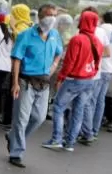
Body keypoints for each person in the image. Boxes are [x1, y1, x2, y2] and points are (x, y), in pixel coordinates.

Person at [5, 3, 63, 168]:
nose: (52, 18)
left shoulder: (55, 35)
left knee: (39, 118)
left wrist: (52, 69)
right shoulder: (26, 35)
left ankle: (13, 137)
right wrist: (15, 83)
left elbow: (58, 55)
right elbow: (16, 59)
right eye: (48, 14)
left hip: (44, 83)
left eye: (54, 15)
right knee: (21, 119)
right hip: (26, 82)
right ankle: (16, 153)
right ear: (40, 17)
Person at [42, 9, 102, 152]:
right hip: (89, 80)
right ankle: (70, 142)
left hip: (74, 79)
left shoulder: (77, 39)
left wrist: (61, 78)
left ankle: (56, 139)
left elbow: (70, 62)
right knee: (78, 110)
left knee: (58, 107)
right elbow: (98, 62)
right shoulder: (97, 41)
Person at [79, 9, 112, 144]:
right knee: (100, 101)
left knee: (90, 101)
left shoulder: (100, 30)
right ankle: (95, 130)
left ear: (102, 18)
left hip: (99, 68)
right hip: (110, 69)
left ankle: (88, 131)